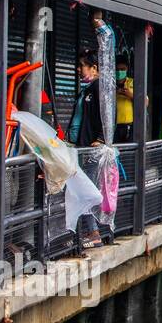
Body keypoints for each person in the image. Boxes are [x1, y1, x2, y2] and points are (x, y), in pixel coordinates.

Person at [68, 48, 105, 248]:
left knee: (85, 190)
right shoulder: (86, 89)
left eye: (82, 66)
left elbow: (107, 116)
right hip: (79, 146)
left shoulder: (98, 88)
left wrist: (100, 138)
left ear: (94, 68)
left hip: (90, 149)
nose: (78, 69)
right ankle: (84, 231)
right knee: (80, 190)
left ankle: (93, 233)